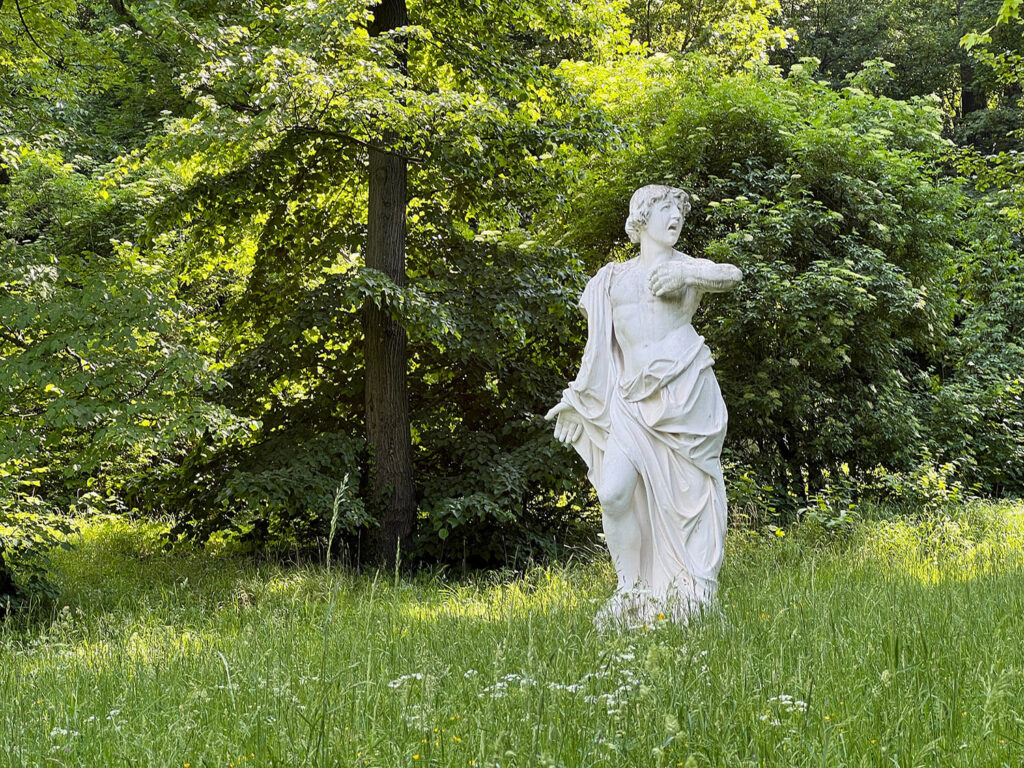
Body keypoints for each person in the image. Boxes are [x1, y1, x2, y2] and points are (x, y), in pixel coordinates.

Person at [546, 184, 742, 626]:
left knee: (691, 496)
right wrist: (577, 400)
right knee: (614, 493)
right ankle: (630, 590)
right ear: (642, 218)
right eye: (666, 210)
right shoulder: (611, 279)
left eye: (680, 212)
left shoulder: (687, 267)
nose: (675, 218)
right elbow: (598, 351)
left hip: (686, 396)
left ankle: (695, 589)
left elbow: (731, 274)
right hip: (632, 401)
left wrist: (687, 276)